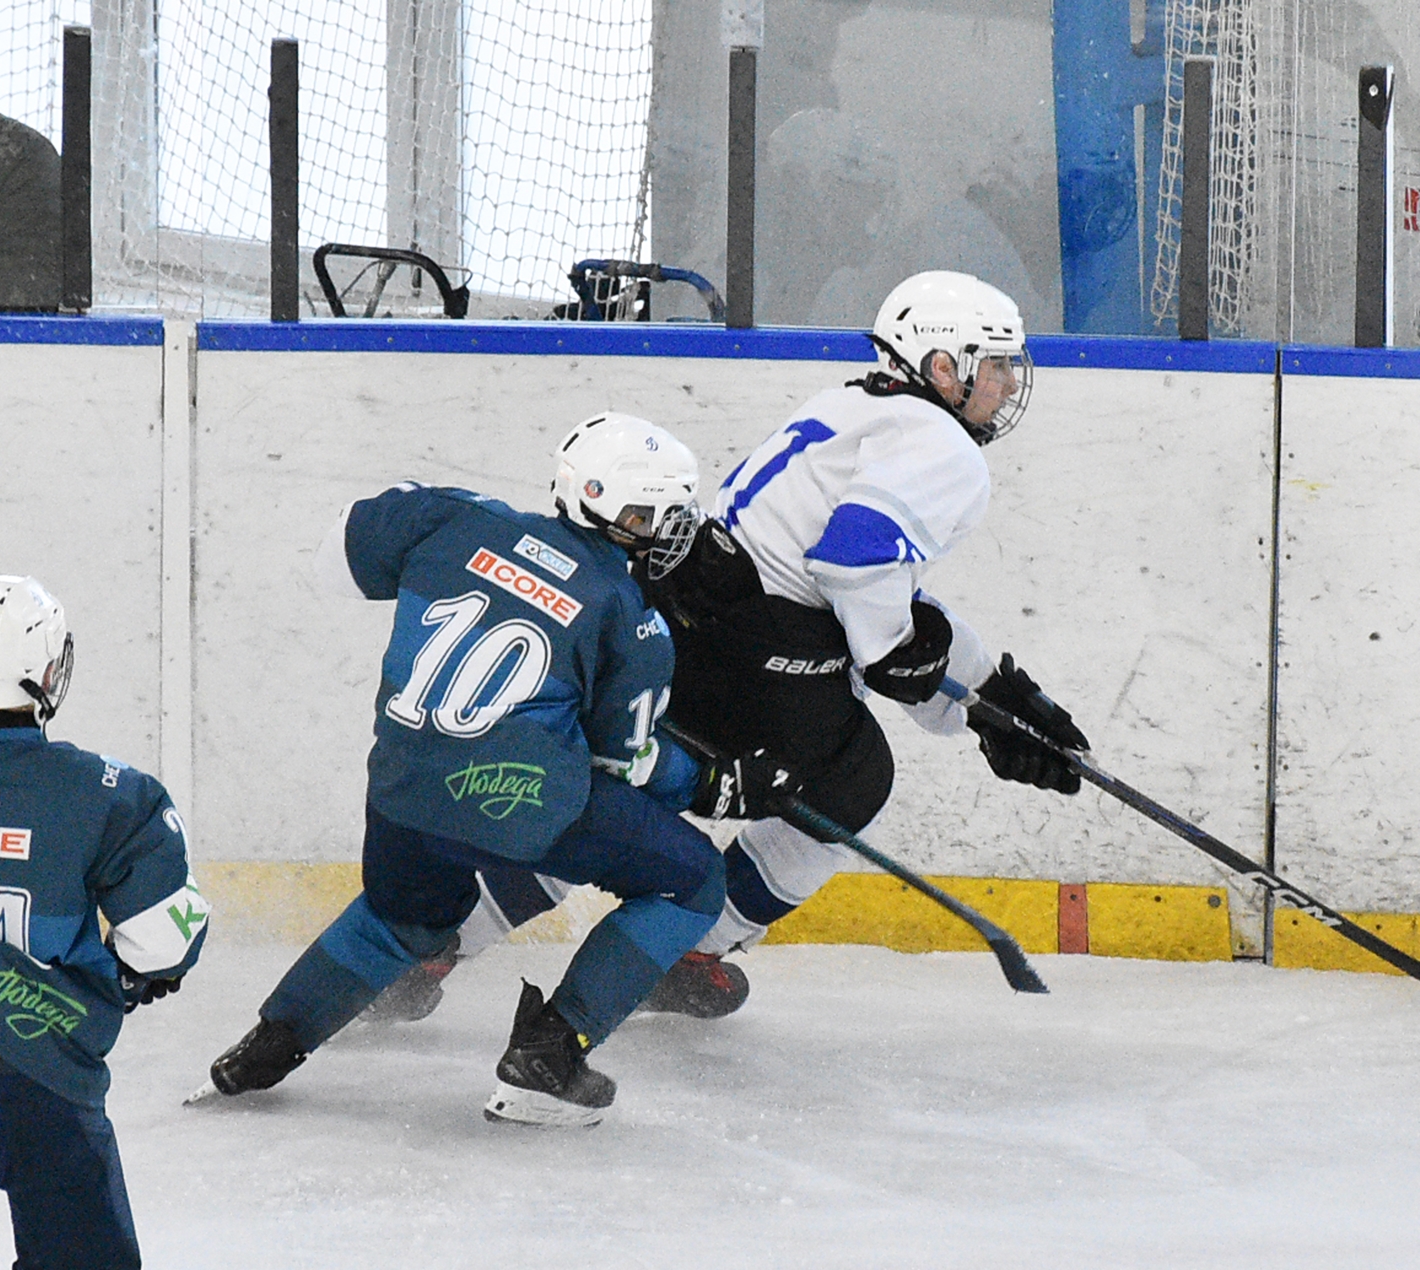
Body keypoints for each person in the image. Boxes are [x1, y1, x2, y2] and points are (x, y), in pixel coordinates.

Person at [395, 271, 1091, 1020]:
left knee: (612, 790)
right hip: (756, 659)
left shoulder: (849, 404)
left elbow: (864, 582)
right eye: (996, 363)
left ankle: (426, 946)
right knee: (854, 782)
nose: (1008, 381)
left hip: (674, 623)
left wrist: (982, 694)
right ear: (942, 367)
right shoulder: (944, 445)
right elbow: (856, 564)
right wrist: (899, 661)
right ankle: (691, 949)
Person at [204, 415, 795, 1128]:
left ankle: (272, 1042)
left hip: (401, 793)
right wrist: (714, 784)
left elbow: (338, 556)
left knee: (404, 919)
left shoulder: (453, 517)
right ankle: (551, 1055)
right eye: (663, 514)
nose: (673, 531)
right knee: (693, 880)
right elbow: (622, 764)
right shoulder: (631, 617)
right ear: (628, 514)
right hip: (512, 799)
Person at [0, 574, 210, 1270]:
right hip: (41, 1078)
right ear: (45, 672)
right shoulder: (112, 794)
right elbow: (166, 942)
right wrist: (133, 980)